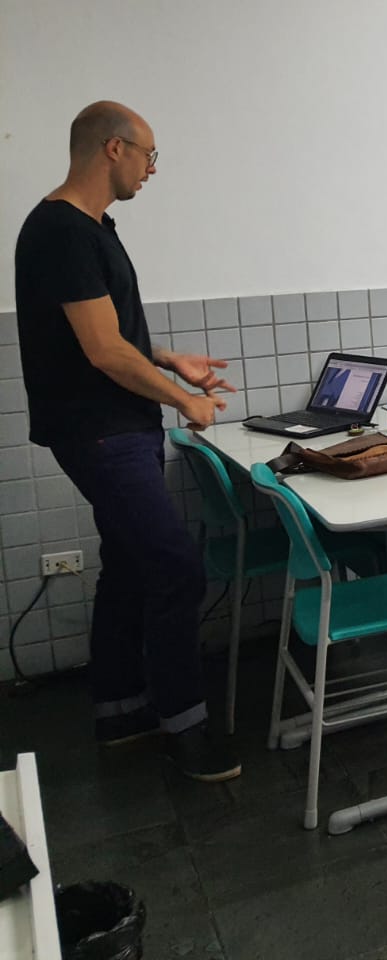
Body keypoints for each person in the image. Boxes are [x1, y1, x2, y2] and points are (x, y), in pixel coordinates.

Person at [13, 101, 240, 781]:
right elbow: (104, 352)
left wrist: (168, 359)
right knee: (175, 567)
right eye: (149, 154)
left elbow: (109, 333)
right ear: (114, 148)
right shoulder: (63, 230)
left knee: (131, 566)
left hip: (114, 428)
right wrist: (185, 400)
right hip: (101, 432)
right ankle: (186, 727)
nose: (152, 169)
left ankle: (120, 711)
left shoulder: (90, 228)